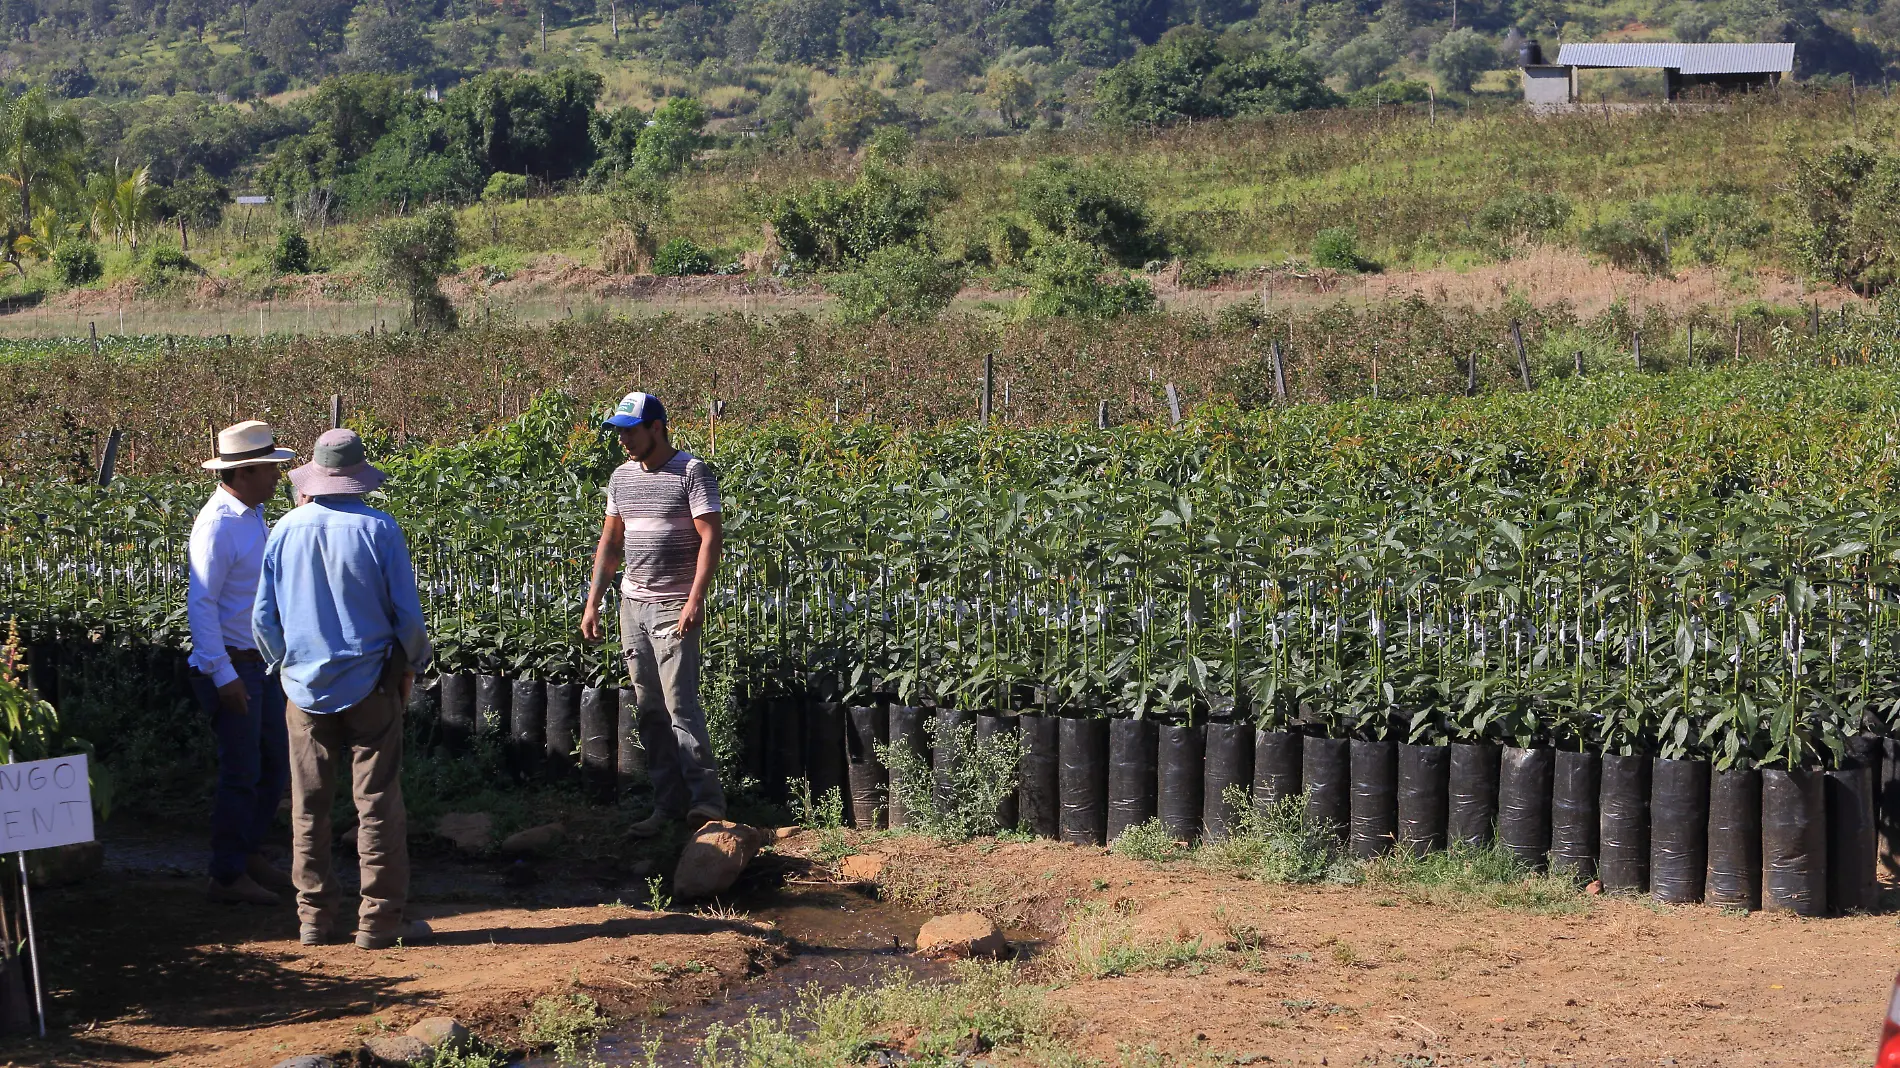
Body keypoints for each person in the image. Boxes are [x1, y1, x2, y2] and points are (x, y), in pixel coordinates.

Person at [254, 429, 433, 950]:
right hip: (371, 684)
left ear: (315, 475)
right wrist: (412, 665)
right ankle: (379, 922)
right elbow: (407, 617)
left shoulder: (284, 530)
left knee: (308, 806)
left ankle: (314, 920)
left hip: (303, 689)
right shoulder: (380, 530)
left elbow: (263, 618)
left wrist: (285, 666)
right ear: (358, 477)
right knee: (376, 803)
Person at [581, 391, 727, 838]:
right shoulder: (621, 478)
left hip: (673, 604)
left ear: (656, 428)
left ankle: (706, 804)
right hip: (632, 605)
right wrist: (593, 601)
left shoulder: (692, 471)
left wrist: (695, 599)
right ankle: (667, 806)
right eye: (619, 432)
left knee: (680, 704)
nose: (623, 440)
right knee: (649, 709)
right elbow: (611, 543)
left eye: (631, 431)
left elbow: (711, 538)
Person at [189, 420, 297, 906]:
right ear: (245, 472)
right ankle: (227, 876)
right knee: (242, 771)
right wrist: (223, 673)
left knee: (273, 765)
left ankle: (248, 853)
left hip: (259, 663)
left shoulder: (251, 515)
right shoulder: (218, 525)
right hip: (233, 666)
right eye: (271, 469)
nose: (279, 476)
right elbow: (202, 603)